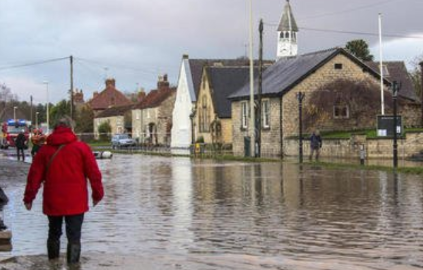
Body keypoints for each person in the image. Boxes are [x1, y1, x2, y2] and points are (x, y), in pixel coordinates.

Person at [23, 116, 104, 264]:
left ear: (54, 129)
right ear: (71, 129)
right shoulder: (82, 148)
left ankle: (53, 264)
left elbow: (34, 177)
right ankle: (73, 266)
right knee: (74, 236)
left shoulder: (44, 151)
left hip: (53, 200)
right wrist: (97, 194)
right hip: (76, 201)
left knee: (53, 234)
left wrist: (29, 198)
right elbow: (94, 174)